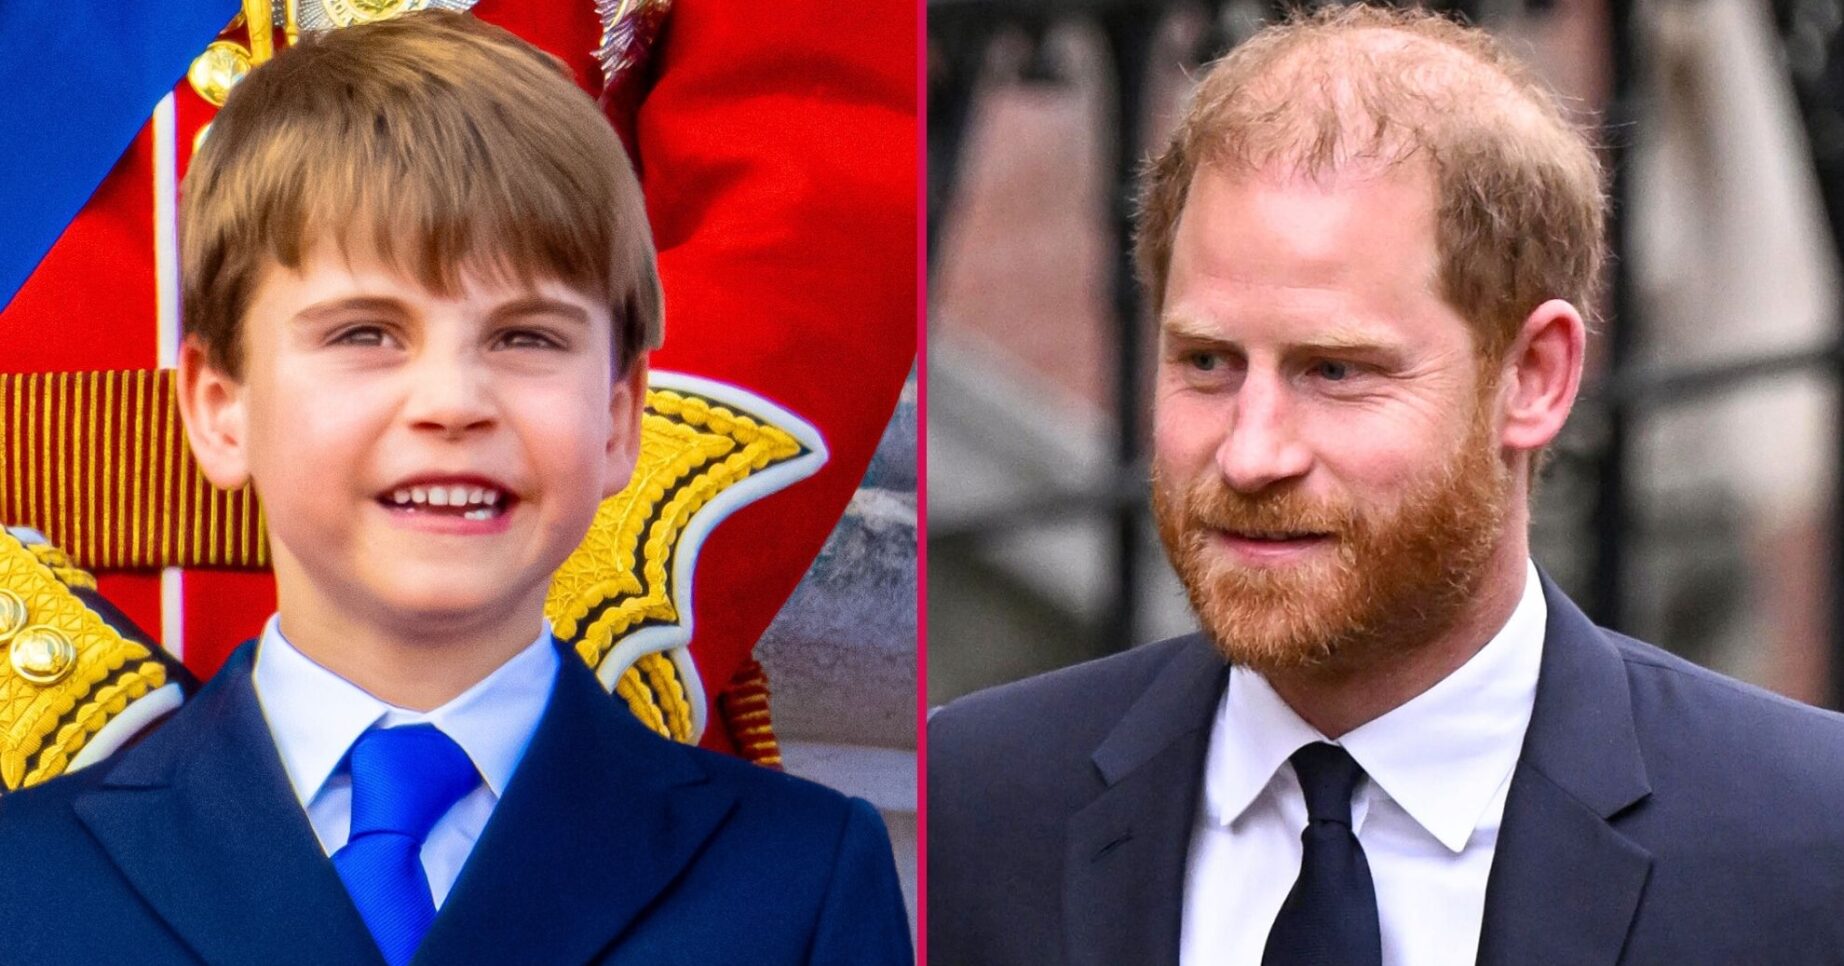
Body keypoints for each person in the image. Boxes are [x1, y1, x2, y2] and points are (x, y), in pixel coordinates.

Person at [927, 7, 1844, 964]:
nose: (1252, 454)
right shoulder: (971, 807)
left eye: (1336, 371)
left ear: (1533, 378)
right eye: (1206, 362)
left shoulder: (1806, 839)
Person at [0, 13, 910, 965]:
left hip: (581, 670)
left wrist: (560, 704)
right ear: (215, 405)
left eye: (523, 338)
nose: (448, 405)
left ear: (619, 415)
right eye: (365, 332)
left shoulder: (804, 877)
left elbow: (818, 186)